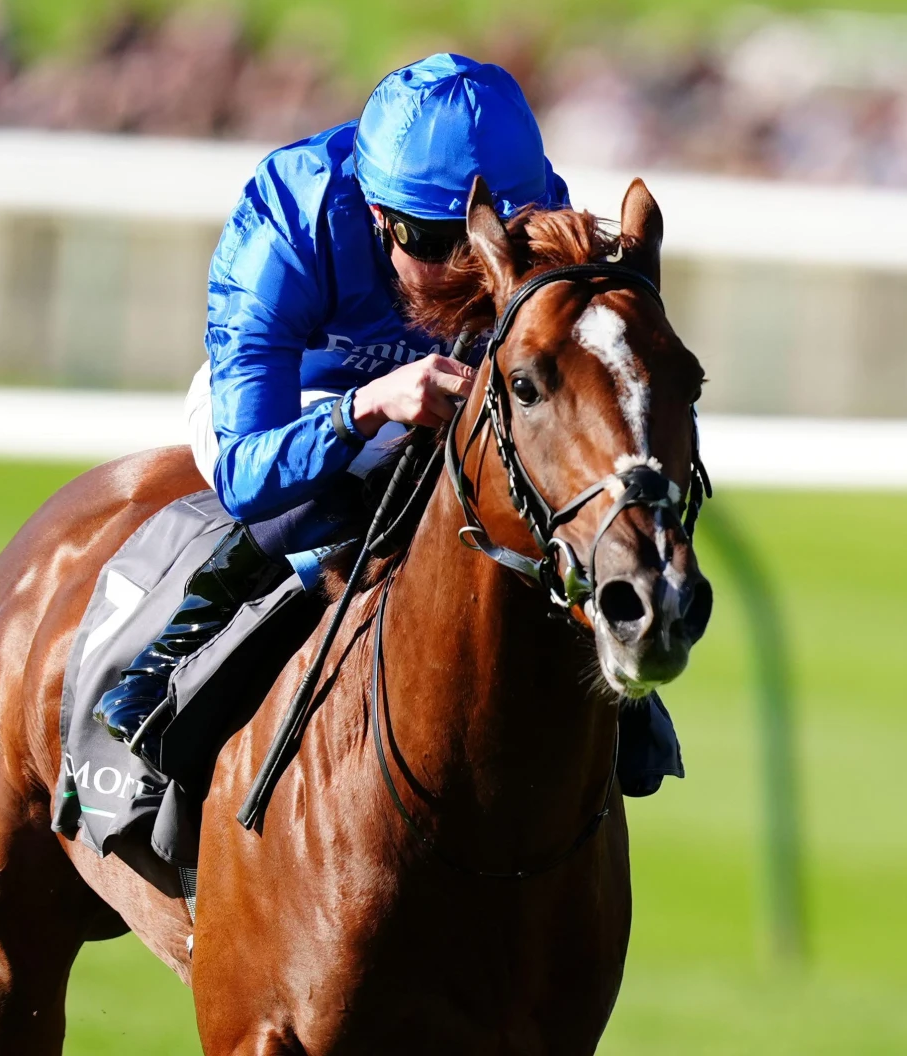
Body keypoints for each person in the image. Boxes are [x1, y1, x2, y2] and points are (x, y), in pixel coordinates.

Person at [93, 53, 683, 796]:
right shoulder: (289, 217)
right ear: (377, 216)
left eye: (496, 237)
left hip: (451, 400)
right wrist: (364, 405)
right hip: (300, 403)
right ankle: (179, 646)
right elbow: (245, 473)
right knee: (357, 471)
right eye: (436, 244)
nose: (473, 269)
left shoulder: (538, 210)